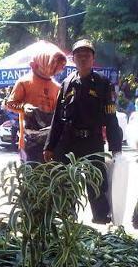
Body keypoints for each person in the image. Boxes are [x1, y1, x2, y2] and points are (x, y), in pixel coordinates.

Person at [43, 39, 123, 225]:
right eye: (79, 54)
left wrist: (115, 148)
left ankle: (101, 221)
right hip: (68, 143)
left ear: (93, 58)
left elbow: (111, 119)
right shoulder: (66, 84)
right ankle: (68, 221)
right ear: (73, 58)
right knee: (64, 183)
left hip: (92, 142)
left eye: (87, 54)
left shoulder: (103, 84)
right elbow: (57, 120)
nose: (83, 57)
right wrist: (50, 146)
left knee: (96, 185)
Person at [5, 43, 67, 162]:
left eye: (58, 66)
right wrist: (24, 107)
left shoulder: (57, 87)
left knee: (49, 177)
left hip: (49, 142)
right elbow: (10, 104)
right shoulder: (24, 82)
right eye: (53, 65)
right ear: (44, 62)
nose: (57, 69)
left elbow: (58, 114)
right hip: (29, 142)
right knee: (31, 178)